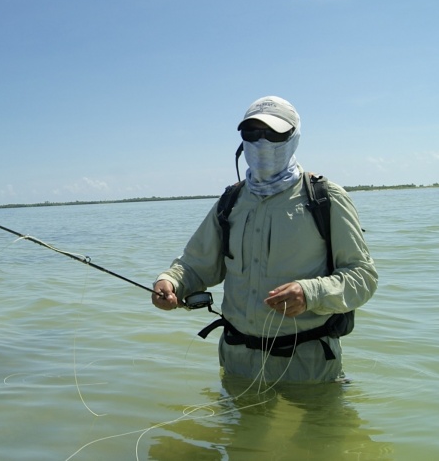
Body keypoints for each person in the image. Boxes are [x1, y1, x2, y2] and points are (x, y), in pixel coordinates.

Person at [152, 96, 378, 383]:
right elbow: (197, 265)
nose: (261, 142)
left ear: (294, 138)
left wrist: (310, 294)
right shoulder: (230, 201)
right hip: (237, 364)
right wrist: (170, 282)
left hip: (307, 369)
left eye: (274, 133)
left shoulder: (326, 198)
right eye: (252, 133)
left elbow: (363, 277)